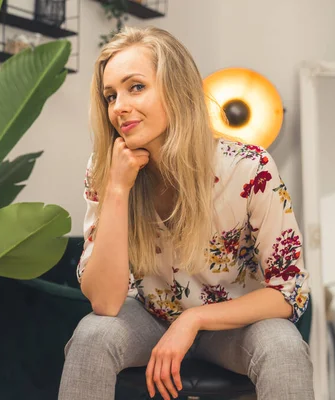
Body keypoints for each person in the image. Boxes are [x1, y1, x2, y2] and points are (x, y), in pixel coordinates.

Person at [58, 26, 314, 400]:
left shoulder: (249, 168)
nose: (119, 107)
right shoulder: (107, 167)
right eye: (110, 96)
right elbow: (105, 302)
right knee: (92, 336)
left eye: (136, 87)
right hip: (147, 317)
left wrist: (193, 320)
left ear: (176, 89)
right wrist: (117, 189)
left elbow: (289, 291)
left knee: (284, 347)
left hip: (233, 326)